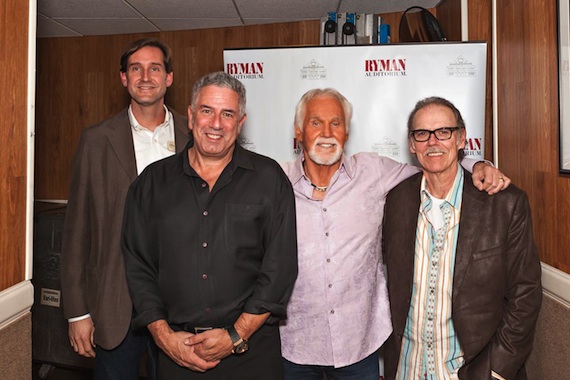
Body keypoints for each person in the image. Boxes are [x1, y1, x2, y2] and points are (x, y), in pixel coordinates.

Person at [278, 88, 510, 379]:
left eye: (336, 123)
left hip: (358, 347)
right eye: (315, 123)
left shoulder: (373, 171)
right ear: (298, 132)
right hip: (295, 345)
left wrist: (478, 165)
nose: (327, 132)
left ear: (347, 132)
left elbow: (434, 164)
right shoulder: (275, 181)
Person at [121, 71, 298, 379]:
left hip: (250, 354)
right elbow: (138, 267)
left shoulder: (269, 180)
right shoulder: (151, 183)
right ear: (191, 116)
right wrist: (164, 338)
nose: (216, 124)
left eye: (227, 114)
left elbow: (280, 268)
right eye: (207, 111)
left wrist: (235, 335)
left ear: (240, 123)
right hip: (176, 354)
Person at [382, 96, 542, 380]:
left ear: (460, 139)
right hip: (407, 369)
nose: (433, 142)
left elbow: (525, 293)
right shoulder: (395, 201)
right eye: (422, 134)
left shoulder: (504, 204)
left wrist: (498, 369)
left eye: (444, 132)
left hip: (471, 371)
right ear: (411, 144)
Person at [60, 37, 190, 380]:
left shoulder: (193, 136)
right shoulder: (96, 141)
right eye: (136, 68)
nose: (145, 76)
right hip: (115, 305)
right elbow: (77, 231)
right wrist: (77, 313)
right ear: (123, 78)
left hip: (181, 302)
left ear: (169, 78)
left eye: (155, 68)